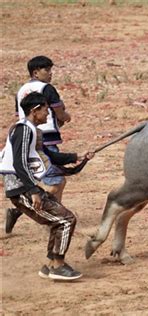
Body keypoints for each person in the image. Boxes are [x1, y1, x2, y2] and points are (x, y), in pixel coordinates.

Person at [0, 92, 94, 280]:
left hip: (25, 187)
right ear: (35, 111)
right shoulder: (23, 130)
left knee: (58, 220)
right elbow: (19, 163)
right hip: (22, 188)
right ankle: (58, 266)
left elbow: (51, 157)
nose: (48, 115)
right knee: (65, 220)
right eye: (45, 110)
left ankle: (51, 265)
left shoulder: (32, 131)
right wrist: (34, 191)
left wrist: (78, 157)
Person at [6, 56, 72, 234]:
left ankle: (25, 211)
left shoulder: (21, 91)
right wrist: (66, 117)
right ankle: (53, 218)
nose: (50, 74)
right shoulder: (46, 89)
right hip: (46, 138)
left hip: (28, 138)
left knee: (56, 180)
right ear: (36, 72)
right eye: (47, 70)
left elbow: (18, 115)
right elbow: (59, 111)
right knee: (55, 181)